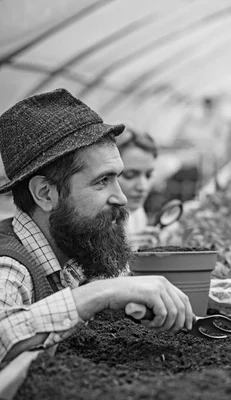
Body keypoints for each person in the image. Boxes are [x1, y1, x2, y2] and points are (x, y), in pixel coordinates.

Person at [0, 89, 194, 365]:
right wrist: (102, 293)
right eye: (102, 181)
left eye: (118, 178)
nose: (122, 197)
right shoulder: (10, 267)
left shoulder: (69, 250)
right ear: (45, 193)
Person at [115, 126, 161, 249]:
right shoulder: (91, 222)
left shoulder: (137, 213)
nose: (142, 186)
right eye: (130, 175)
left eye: (148, 175)